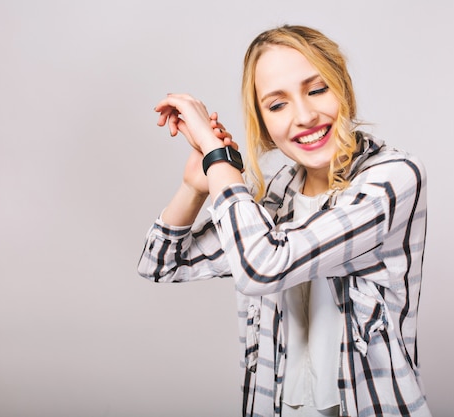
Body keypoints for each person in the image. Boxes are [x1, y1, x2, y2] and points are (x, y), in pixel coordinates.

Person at [138, 25, 432, 417]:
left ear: (342, 87)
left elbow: (263, 267)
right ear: (262, 120)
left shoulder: (393, 178)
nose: (305, 116)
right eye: (277, 105)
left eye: (317, 89)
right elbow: (160, 264)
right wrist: (197, 184)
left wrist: (217, 158)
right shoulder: (278, 193)